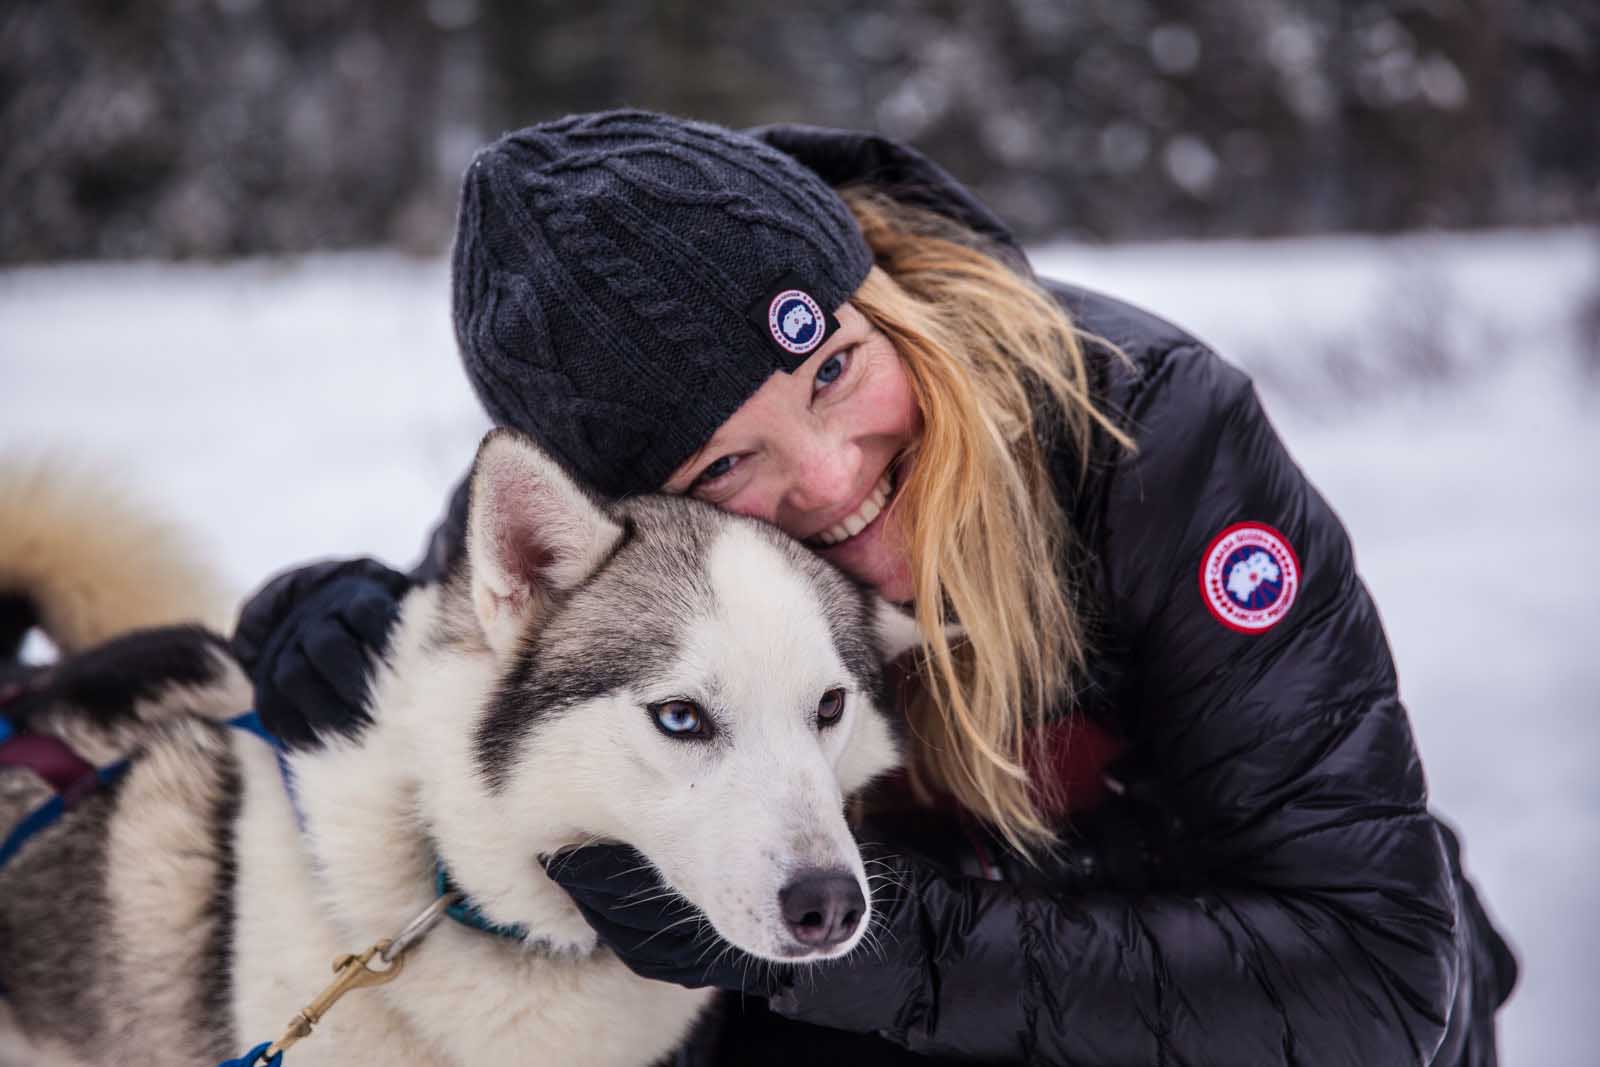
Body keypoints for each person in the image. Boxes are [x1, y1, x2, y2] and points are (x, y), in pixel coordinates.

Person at [232, 111, 1517, 1065]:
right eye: (729, 461)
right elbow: (471, 633)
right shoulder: (610, 533)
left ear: (874, 297)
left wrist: (864, 950)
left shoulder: (1148, 442)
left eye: (836, 370)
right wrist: (326, 623)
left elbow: (1380, 976)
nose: (834, 474)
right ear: (642, 509)